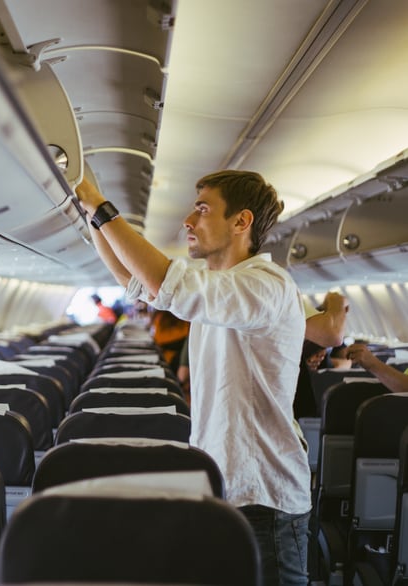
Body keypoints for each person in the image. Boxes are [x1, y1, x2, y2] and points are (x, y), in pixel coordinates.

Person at [76, 170, 310, 585]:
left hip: (264, 497)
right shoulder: (222, 286)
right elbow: (132, 279)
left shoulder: (265, 286)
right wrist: (90, 212)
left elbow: (161, 280)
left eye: (202, 209)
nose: (188, 221)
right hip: (224, 485)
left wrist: (100, 204)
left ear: (242, 222)